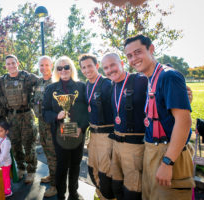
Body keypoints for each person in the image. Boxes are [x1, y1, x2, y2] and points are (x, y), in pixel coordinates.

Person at [124, 34, 195, 200]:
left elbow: (183, 122)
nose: (134, 59)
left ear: (151, 49)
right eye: (129, 56)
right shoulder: (149, 78)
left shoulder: (169, 76)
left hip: (168, 152)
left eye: (138, 52)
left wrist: (168, 162)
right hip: (152, 151)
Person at [101, 53, 147, 200]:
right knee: (117, 186)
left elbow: (162, 84)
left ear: (121, 63)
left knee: (133, 190)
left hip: (135, 146)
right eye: (106, 68)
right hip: (116, 143)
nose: (109, 70)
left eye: (112, 65)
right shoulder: (111, 86)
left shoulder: (140, 80)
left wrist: (187, 94)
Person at [42, 56, 89, 200]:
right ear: (56, 71)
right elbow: (45, 112)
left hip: (78, 133)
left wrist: (81, 128)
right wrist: (57, 116)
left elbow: (87, 111)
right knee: (62, 165)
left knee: (75, 164)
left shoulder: (81, 86)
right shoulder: (50, 88)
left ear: (72, 68)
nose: (63, 70)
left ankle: (73, 194)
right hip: (59, 133)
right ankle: (61, 195)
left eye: (66, 67)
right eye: (60, 68)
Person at [0, 55, 39, 184]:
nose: (11, 66)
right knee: (15, 145)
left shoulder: (27, 77)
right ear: (5, 66)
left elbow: (43, 82)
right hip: (11, 117)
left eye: (13, 63)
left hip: (26, 115)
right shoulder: (2, 80)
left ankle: (31, 171)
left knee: (28, 144)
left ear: (18, 63)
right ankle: (21, 168)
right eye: (8, 64)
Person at [79, 54, 115, 200]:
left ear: (97, 66)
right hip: (93, 134)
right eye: (83, 67)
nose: (87, 70)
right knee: (92, 168)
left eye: (89, 66)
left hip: (107, 134)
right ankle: (100, 194)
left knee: (105, 171)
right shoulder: (86, 85)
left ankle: (108, 197)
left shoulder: (107, 84)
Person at [31, 56, 57, 197]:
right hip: (41, 123)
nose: (44, 68)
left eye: (46, 65)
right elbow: (34, 99)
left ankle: (55, 184)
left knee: (54, 154)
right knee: (47, 151)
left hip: (52, 125)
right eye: (41, 65)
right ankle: (52, 175)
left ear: (51, 65)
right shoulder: (39, 82)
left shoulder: (56, 82)